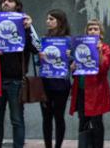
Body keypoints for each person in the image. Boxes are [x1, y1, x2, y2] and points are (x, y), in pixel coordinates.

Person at [0, 0, 39, 148]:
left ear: (17, 5)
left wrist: (27, 30)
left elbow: (36, 49)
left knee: (17, 119)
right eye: (3, 1)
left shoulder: (26, 24)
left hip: (16, 80)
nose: (6, 3)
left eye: (10, 1)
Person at [69, 19, 110, 148]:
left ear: (101, 33)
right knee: (82, 120)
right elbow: (76, 70)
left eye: (96, 29)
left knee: (97, 122)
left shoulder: (105, 48)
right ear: (86, 32)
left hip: (96, 91)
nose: (93, 31)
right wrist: (73, 66)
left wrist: (99, 52)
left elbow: (104, 68)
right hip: (81, 90)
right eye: (90, 29)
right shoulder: (80, 46)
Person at [38, 10, 72, 148]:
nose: (48, 21)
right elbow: (37, 62)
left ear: (60, 21)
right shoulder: (43, 39)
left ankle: (58, 145)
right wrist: (38, 57)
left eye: (51, 19)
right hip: (45, 82)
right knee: (46, 117)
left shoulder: (68, 40)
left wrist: (71, 56)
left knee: (59, 116)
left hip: (61, 83)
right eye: (47, 18)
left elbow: (75, 62)